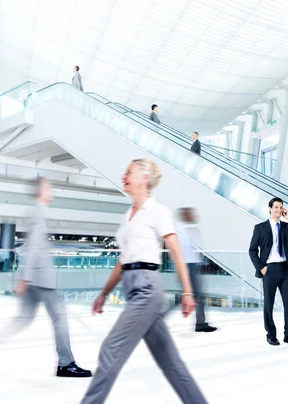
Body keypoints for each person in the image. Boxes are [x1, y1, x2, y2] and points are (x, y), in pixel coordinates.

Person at [80, 159, 207, 404]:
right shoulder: (128, 215)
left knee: (110, 350)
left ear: (145, 178)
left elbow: (176, 251)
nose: (123, 176)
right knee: (171, 363)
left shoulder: (158, 211)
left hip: (147, 288)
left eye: (129, 172)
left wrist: (188, 292)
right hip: (132, 285)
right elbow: (123, 260)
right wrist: (104, 293)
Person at [0, 177, 92, 378]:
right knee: (59, 318)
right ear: (41, 191)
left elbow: (30, 247)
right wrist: (25, 278)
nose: (51, 191)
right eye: (48, 187)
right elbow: (34, 249)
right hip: (40, 278)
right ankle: (66, 364)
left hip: (33, 278)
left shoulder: (36, 212)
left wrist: (24, 277)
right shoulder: (38, 213)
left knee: (23, 319)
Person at [249, 197, 288, 346]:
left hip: (285, 269)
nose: (279, 210)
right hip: (269, 269)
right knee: (269, 303)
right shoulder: (260, 228)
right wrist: (261, 267)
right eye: (276, 207)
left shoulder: (286, 227)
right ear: (269, 208)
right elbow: (252, 250)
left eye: (281, 207)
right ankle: (271, 334)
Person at [176, 207, 217, 332]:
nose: (194, 215)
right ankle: (200, 323)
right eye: (191, 214)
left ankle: (200, 323)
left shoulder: (186, 230)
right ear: (186, 216)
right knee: (195, 296)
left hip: (191, 266)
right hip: (188, 266)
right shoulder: (186, 231)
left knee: (195, 296)